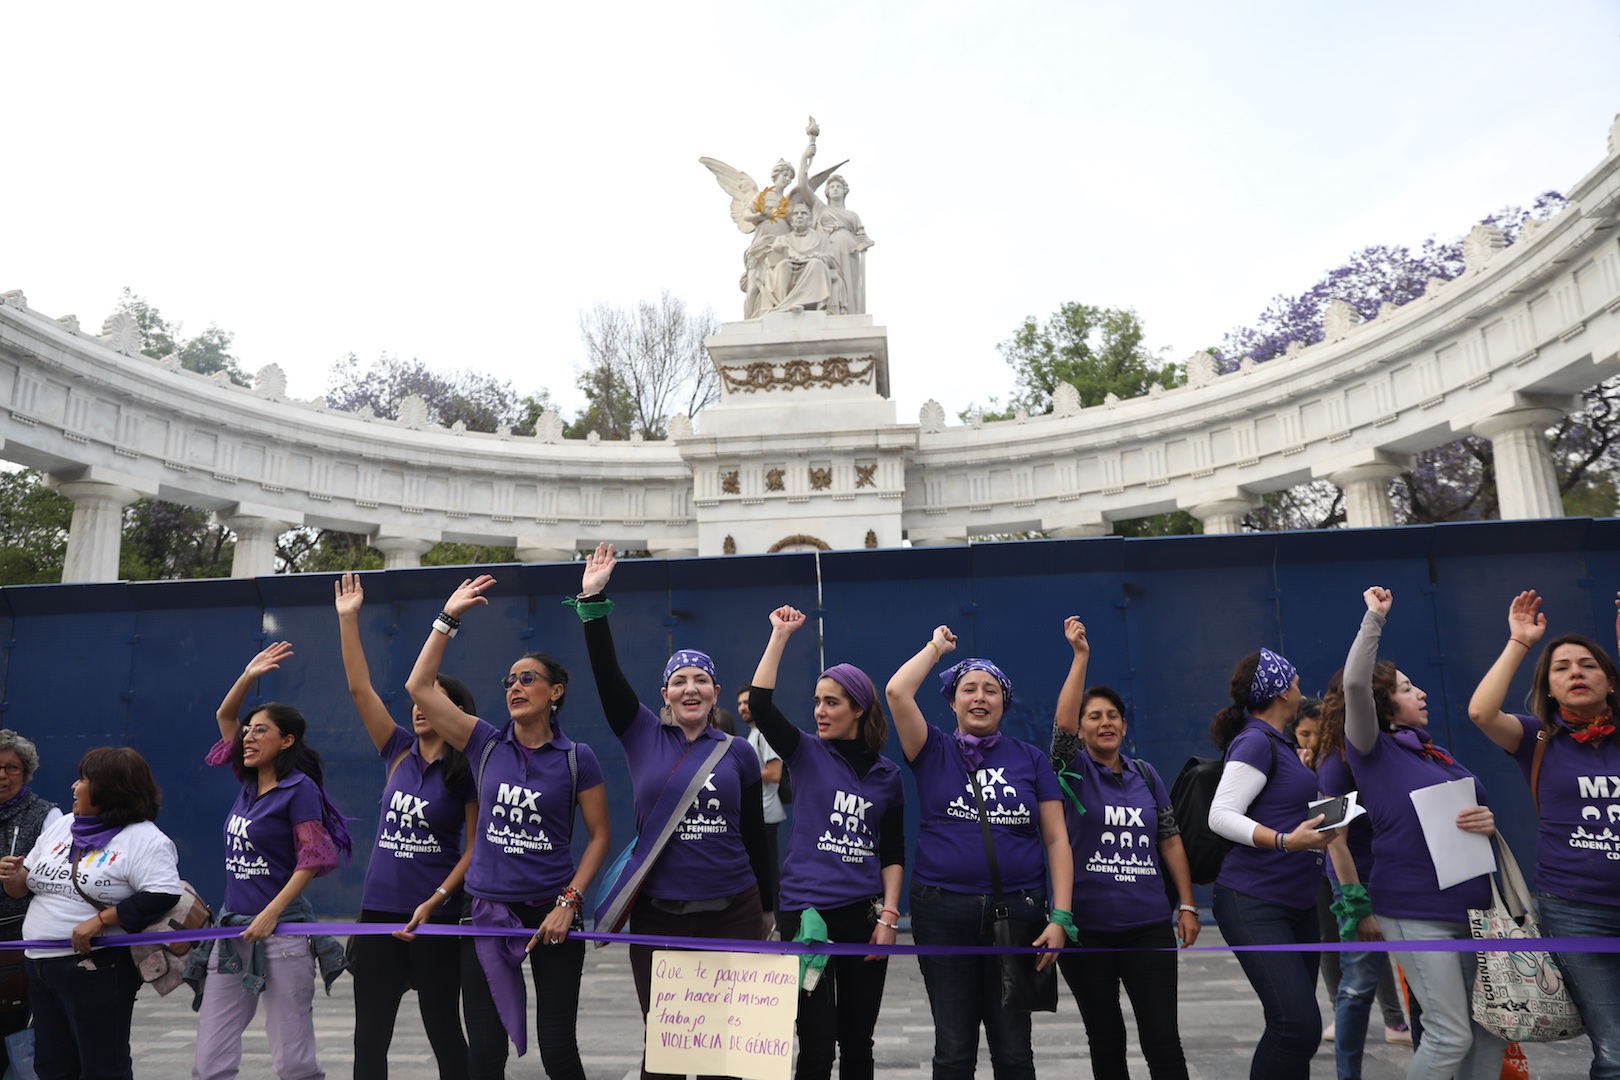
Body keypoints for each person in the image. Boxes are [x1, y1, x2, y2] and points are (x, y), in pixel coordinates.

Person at [571, 543, 776, 1080]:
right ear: (665, 694)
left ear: (715, 693)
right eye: (680, 681)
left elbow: (755, 836)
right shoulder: (640, 733)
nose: (691, 688)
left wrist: (768, 910)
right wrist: (592, 602)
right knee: (667, 1046)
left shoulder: (739, 752)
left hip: (734, 912)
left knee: (724, 1051)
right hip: (660, 916)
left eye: (700, 680)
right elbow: (606, 672)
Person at [404, 574, 610, 1080]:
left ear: (555, 692)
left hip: (551, 912)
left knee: (558, 1049)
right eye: (509, 681)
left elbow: (600, 836)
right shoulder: (483, 742)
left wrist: (568, 904)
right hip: (485, 911)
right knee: (485, 1051)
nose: (514, 687)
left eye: (527, 678)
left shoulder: (578, 757)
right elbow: (419, 687)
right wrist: (448, 618)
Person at [1327, 586, 1503, 1080]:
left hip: (1472, 908)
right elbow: (1355, 685)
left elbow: (1475, 816)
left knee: (1487, 1029)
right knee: (1449, 1034)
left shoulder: (1433, 754)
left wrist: (1487, 823)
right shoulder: (1370, 751)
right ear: (1383, 705)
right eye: (1406, 688)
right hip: (1415, 907)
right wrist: (1374, 619)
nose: (1421, 692)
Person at [885, 623, 1073, 1080]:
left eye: (991, 690)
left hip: (1019, 912)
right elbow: (896, 691)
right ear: (952, 702)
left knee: (1014, 1051)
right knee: (953, 1051)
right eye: (968, 689)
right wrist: (935, 648)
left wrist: (1061, 916)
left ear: (1004, 703)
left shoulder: (1031, 759)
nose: (979, 698)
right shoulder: (931, 749)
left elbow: (1056, 839)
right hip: (942, 912)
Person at [1467, 589, 1620, 1080]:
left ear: (1610, 682)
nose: (1576, 672)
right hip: (1576, 910)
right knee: (1615, 1051)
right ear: (1549, 689)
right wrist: (1519, 641)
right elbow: (1481, 713)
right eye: (1562, 668)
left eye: (1588, 665)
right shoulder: (1536, 738)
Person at [748, 605, 904, 1080]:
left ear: (858, 709)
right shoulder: (805, 752)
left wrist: (889, 918)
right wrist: (779, 635)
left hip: (863, 918)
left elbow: (893, 852)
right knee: (816, 1048)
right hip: (806, 918)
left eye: (831, 702)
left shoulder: (888, 775)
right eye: (816, 701)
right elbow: (760, 706)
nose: (819, 710)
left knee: (858, 1043)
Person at [335, 573, 476, 1080]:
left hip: (435, 917)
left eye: (431, 697)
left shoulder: (469, 768)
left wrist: (436, 900)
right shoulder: (397, 750)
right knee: (369, 1039)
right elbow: (360, 689)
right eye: (417, 699)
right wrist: (348, 620)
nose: (419, 706)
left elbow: (475, 849)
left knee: (444, 1032)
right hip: (378, 914)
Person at [190, 642, 352, 1080]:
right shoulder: (247, 782)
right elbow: (225, 716)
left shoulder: (299, 789)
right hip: (233, 933)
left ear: (287, 740)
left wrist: (271, 913)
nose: (248, 737)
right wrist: (248, 675)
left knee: (294, 1060)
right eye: (248, 731)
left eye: (261, 731)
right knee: (209, 1060)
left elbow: (311, 859)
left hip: (283, 936)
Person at [1050, 616, 1195, 1080]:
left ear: (1125, 726)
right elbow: (1061, 727)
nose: (1105, 722)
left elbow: (1169, 839)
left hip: (1148, 929)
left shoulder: (1146, 775)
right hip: (1087, 932)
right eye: (1094, 716)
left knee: (1163, 1041)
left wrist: (1187, 904)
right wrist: (1081, 656)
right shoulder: (1071, 772)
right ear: (1081, 729)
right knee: (1107, 1039)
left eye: (1113, 715)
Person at [0, 747, 180, 1080]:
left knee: (102, 1066)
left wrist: (100, 921)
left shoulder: (143, 838)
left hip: (95, 967)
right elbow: (25, 885)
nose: (74, 786)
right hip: (40, 965)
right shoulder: (65, 825)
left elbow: (163, 893)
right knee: (51, 1065)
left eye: (83, 779)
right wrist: (13, 877)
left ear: (109, 789)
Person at [1206, 647, 1334, 1080]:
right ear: (1281, 692)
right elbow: (1221, 815)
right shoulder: (1256, 741)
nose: (1301, 690)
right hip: (1256, 901)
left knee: (1295, 1030)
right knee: (1297, 1026)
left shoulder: (1280, 743)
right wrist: (1285, 840)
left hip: (1297, 903)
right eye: (1295, 683)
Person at [1314, 693, 1403, 1079]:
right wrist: (1358, 906)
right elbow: (1333, 840)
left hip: (1405, 880)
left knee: (1422, 984)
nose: (1420, 694)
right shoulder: (1334, 764)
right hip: (1361, 884)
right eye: (1405, 688)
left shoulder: (1401, 750)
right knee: (1358, 983)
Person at [0, 729, 61, 1076]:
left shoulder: (47, 816)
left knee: (15, 1037)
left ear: (25, 772)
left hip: (19, 947)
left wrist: (20, 876)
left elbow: (57, 878)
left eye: (11, 767)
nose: (2, 775)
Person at [736, 684, 787, 869]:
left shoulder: (765, 734)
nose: (743, 707)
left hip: (766, 814)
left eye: (747, 702)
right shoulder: (754, 734)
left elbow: (774, 773)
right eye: (740, 703)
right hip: (758, 813)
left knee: (767, 868)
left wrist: (739, 774)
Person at [816, 175, 873, 315]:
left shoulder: (853, 215)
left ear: (844, 191)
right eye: (832, 187)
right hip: (830, 246)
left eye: (838, 187)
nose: (835, 189)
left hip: (851, 248)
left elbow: (862, 234)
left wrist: (864, 242)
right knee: (834, 279)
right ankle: (833, 310)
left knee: (850, 280)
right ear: (827, 192)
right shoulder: (822, 210)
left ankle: (852, 312)